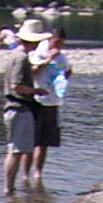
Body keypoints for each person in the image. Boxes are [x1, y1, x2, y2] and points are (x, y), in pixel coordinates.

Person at [0, 21, 47, 193]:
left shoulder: (15, 55)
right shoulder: (20, 58)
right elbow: (16, 86)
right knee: (16, 151)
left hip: (15, 108)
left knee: (16, 150)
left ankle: (10, 189)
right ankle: (9, 189)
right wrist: (36, 90)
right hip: (19, 107)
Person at [28, 27, 70, 183]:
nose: (59, 46)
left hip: (53, 101)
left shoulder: (61, 56)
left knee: (45, 142)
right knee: (32, 140)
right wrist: (48, 60)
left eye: (62, 43)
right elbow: (33, 72)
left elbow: (65, 72)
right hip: (37, 100)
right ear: (50, 39)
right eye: (57, 42)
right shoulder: (38, 52)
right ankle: (26, 173)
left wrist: (67, 74)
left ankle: (38, 173)